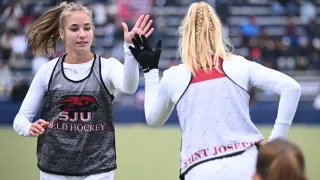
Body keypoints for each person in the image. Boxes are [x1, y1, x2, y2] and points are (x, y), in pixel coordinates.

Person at [129, 2, 301, 180]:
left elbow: (153, 119)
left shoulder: (174, 75)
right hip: (248, 163)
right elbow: (291, 88)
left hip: (199, 169)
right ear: (218, 31)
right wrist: (274, 143)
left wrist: (150, 71)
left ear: (185, 33)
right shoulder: (239, 64)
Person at [12, 2, 154, 180]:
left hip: (98, 168)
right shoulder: (47, 71)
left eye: (87, 28)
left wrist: (130, 51)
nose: (82, 34)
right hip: (53, 169)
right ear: (62, 33)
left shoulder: (107, 67)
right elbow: (20, 119)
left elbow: (129, 87)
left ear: (93, 31)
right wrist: (28, 127)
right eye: (74, 29)